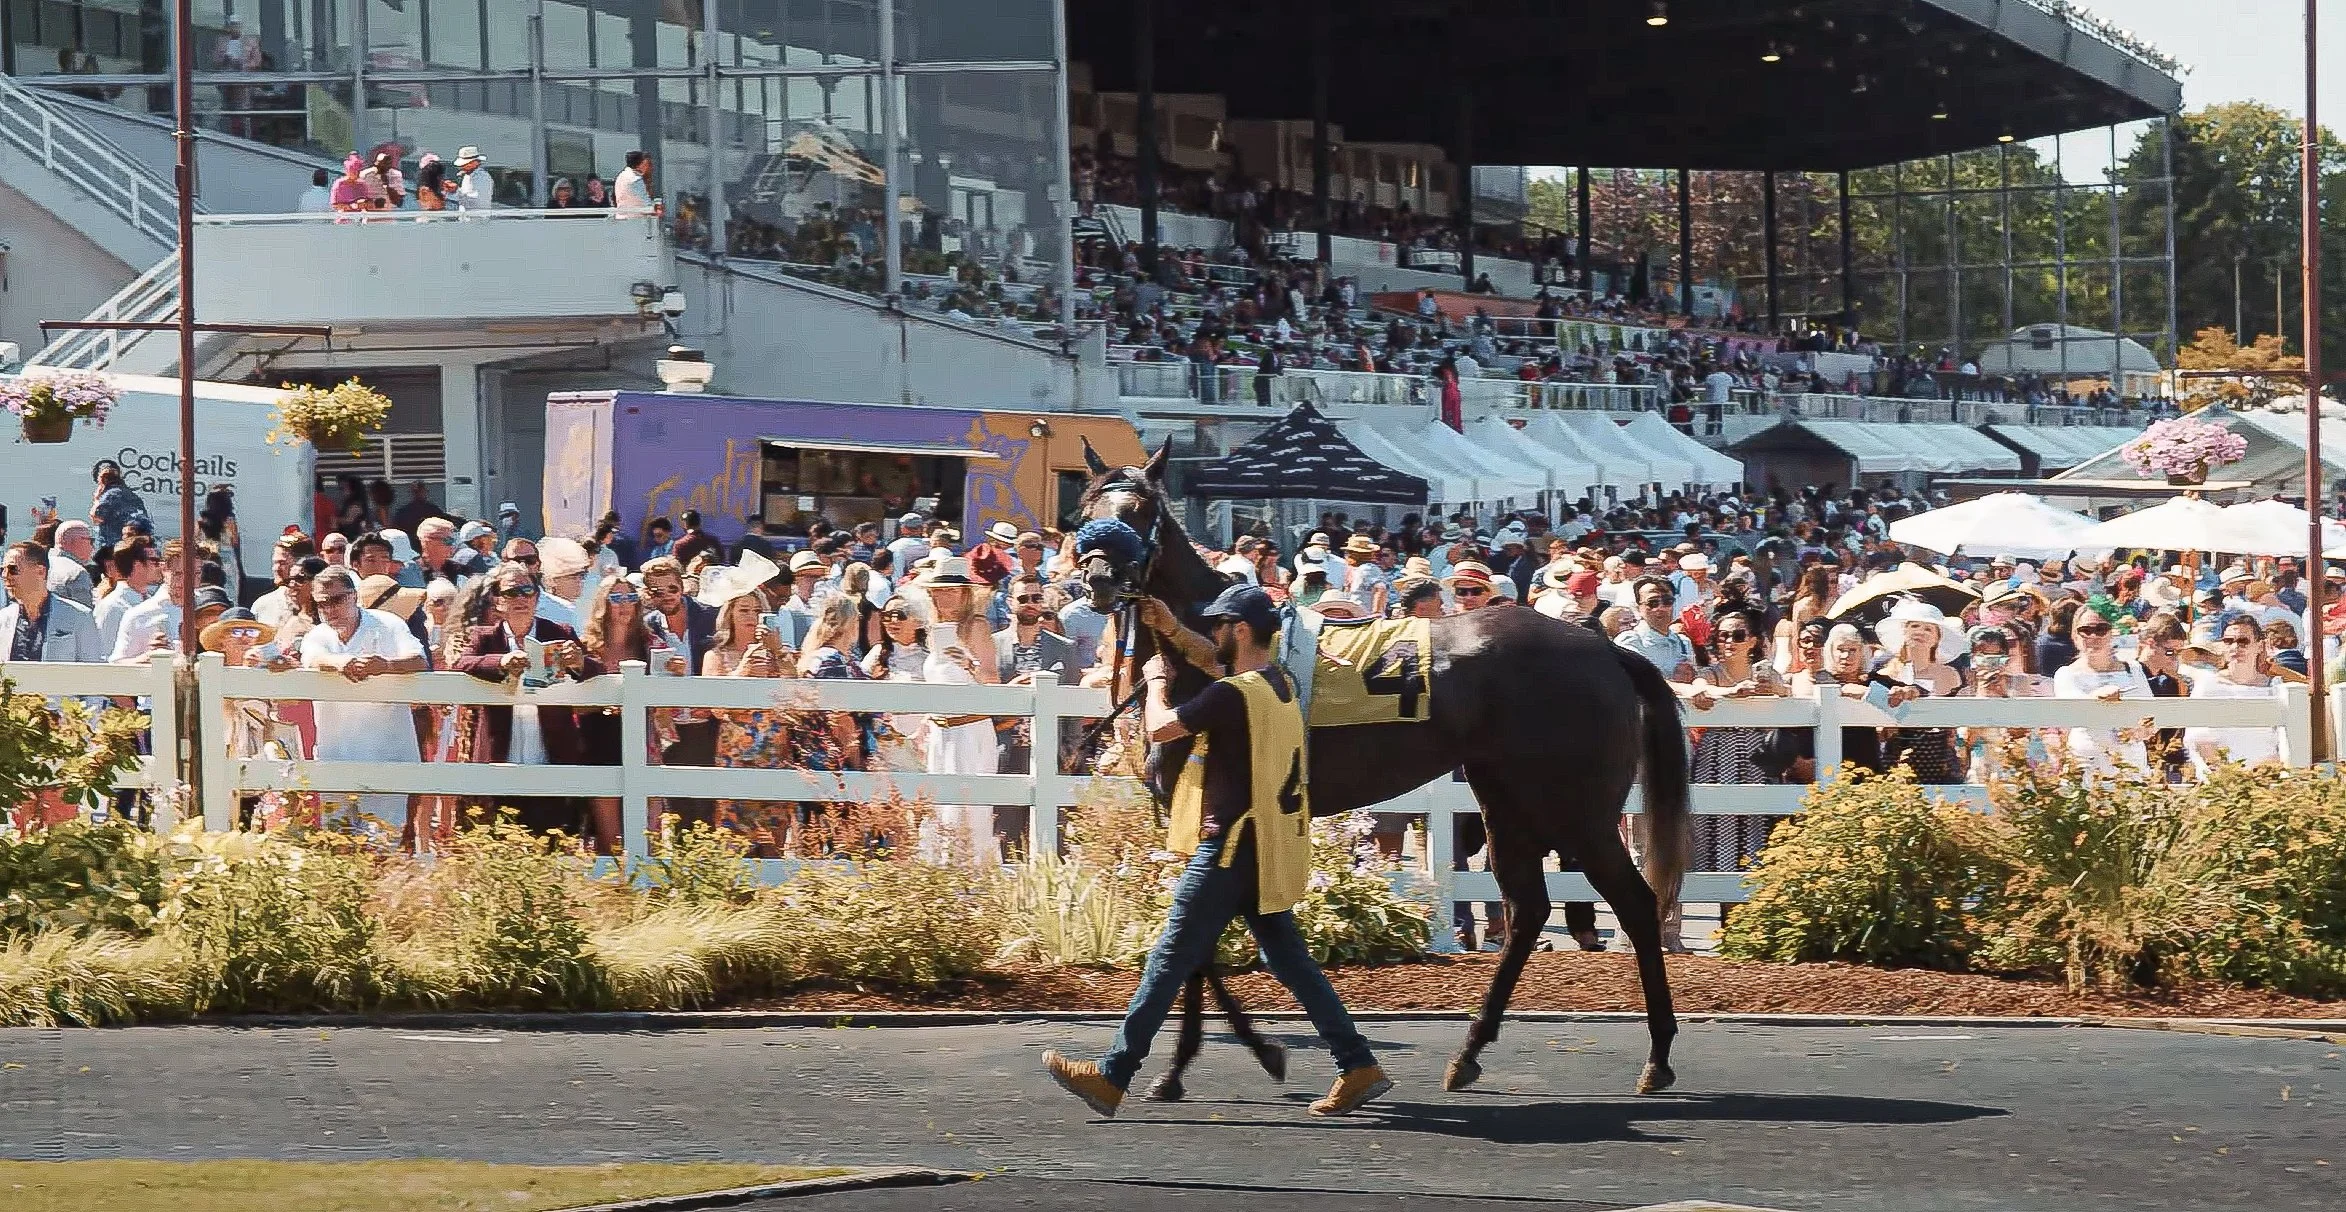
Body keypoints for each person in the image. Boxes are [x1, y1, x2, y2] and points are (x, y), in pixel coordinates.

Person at [1042, 585, 1390, 1120]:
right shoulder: (1279, 684)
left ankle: (1113, 1077)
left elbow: (1160, 727)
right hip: (1266, 847)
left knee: (1168, 959)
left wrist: (1156, 683)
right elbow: (1219, 668)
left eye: (1220, 626)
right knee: (1287, 960)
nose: (1213, 636)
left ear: (1241, 630)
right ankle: (1359, 1065)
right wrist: (1176, 633)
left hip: (1229, 849)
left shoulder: (1235, 695)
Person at [451, 562, 602, 838]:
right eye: (511, 592)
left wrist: (579, 662)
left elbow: (596, 670)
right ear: (498, 601)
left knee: (551, 839)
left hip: (552, 752)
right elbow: (462, 662)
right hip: (501, 751)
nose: (520, 598)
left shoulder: (559, 632)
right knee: (499, 839)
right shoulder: (484, 637)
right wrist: (502, 661)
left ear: (536, 597)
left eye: (527, 590)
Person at [298, 567, 428, 839]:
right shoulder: (317, 635)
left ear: (354, 596)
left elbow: (419, 660)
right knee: (337, 842)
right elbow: (314, 658)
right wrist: (341, 663)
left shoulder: (388, 624)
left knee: (384, 842)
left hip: (388, 753)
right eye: (322, 602)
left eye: (337, 599)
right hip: (336, 754)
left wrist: (387, 665)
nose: (329, 608)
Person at [1684, 606, 1788, 877]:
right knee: (1721, 828)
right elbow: (1699, 687)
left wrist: (1777, 689)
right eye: (1722, 636)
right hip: (1718, 757)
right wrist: (1730, 692)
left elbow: (1791, 693)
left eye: (1738, 635)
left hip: (1758, 757)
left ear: (1752, 641)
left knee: (1759, 825)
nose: (1729, 641)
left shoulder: (1765, 673)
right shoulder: (1711, 673)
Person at [2051, 607, 2153, 778]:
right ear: (2075, 636)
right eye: (2085, 630)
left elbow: (2150, 716)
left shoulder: (2134, 669)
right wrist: (2100, 697)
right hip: (2086, 764)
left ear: (2111, 633)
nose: (2093, 636)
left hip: (2130, 765)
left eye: (2101, 630)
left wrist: (2137, 730)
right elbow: (2073, 710)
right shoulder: (2065, 674)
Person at [1873, 599, 1966, 784]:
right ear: (1904, 631)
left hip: (1939, 761)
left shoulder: (1950, 675)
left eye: (1928, 629)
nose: (1920, 632)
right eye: (1914, 626)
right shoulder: (1883, 674)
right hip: (1896, 760)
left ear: (1937, 638)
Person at [2182, 615, 2287, 775]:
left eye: (2243, 641)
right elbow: (2197, 738)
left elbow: (2285, 742)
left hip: (2266, 780)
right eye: (2228, 641)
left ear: (2259, 646)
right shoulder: (2207, 685)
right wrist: (2231, 775)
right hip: (2220, 782)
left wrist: (2257, 773)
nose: (2235, 647)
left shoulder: (2276, 686)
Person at [3, 541, 104, 665]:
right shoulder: (3, 618)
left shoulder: (79, 617)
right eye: (2, 570)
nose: (5, 576)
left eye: (13, 569)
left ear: (40, 572)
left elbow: (92, 671)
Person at [452, 147, 495, 211]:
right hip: (466, 217)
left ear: (475, 163)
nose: (462, 167)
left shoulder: (482, 177)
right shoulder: (468, 175)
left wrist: (455, 191)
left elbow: (477, 201)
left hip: (477, 218)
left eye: (466, 164)